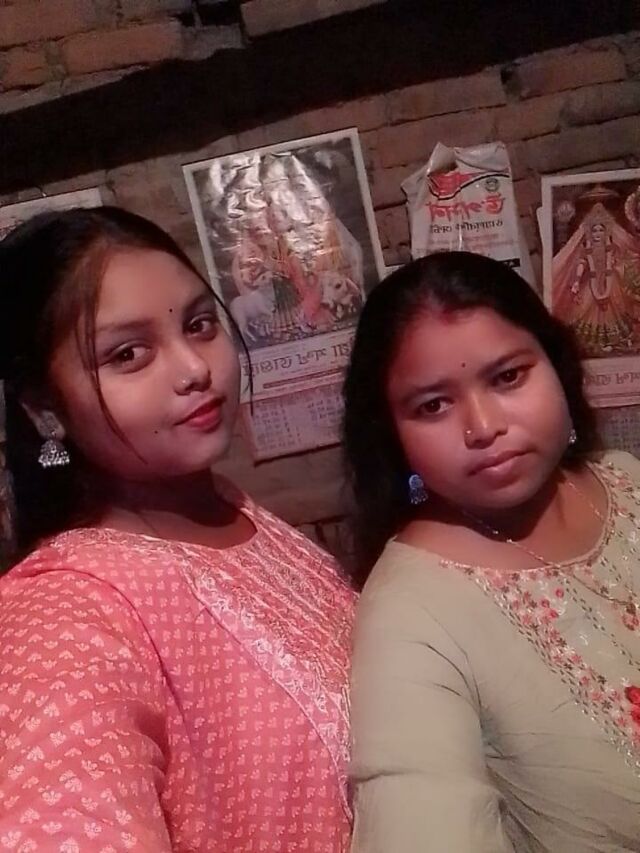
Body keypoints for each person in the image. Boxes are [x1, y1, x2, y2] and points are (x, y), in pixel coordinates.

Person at [0, 207, 354, 851]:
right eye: (128, 354)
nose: (194, 367)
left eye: (199, 324)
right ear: (45, 408)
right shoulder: (62, 612)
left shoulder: (233, 511)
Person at [343, 251, 640, 852]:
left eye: (508, 377)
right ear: (392, 434)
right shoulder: (411, 612)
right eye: (433, 405)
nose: (482, 427)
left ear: (556, 365)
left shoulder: (624, 479)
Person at [552, 199, 640, 358]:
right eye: (594, 231)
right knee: (589, 309)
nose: (597, 234)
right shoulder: (586, 249)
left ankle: (614, 341)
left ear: (606, 232)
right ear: (589, 233)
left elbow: (618, 260)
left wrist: (617, 267)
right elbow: (582, 264)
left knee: (614, 309)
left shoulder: (610, 247)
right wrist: (577, 281)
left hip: (611, 282)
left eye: (600, 230)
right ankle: (596, 343)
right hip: (591, 282)